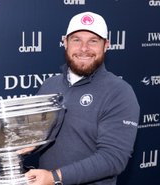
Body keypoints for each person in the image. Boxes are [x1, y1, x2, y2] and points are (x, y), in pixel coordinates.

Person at [25, 12, 140, 185]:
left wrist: (54, 178)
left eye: (93, 41)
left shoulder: (120, 92)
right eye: (76, 40)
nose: (84, 48)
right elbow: (34, 135)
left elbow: (113, 159)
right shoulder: (49, 85)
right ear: (65, 43)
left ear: (106, 45)